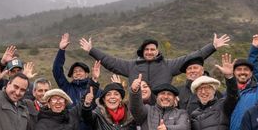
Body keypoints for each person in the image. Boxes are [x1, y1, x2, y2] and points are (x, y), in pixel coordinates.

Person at [79, 33, 230, 90]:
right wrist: (92, 50)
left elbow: (191, 58)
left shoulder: (168, 65)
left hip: (162, 109)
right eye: (147, 49)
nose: (150, 52)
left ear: (157, 51)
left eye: (153, 49)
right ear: (142, 51)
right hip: (138, 111)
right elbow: (110, 61)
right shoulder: (131, 66)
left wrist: (212, 46)